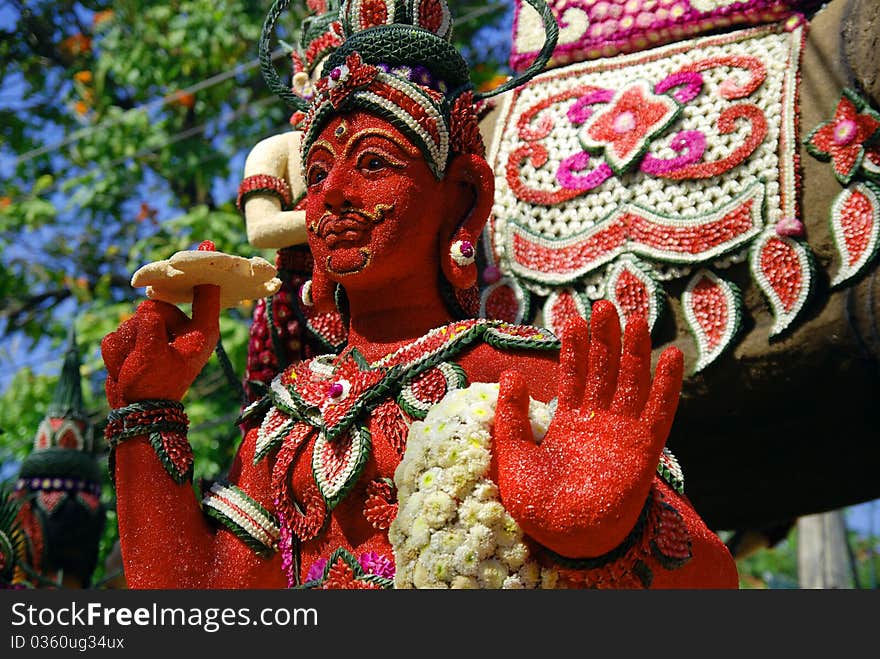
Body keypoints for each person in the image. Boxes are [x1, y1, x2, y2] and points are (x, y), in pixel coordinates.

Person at [100, 0, 737, 589]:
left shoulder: (520, 373)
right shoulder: (288, 417)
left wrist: (602, 539)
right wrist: (145, 408)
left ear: (461, 198)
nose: (334, 195)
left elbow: (712, 582)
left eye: (374, 163)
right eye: (318, 173)